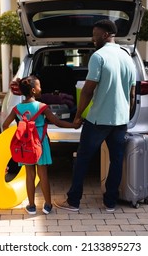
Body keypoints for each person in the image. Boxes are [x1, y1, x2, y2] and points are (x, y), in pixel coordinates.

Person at [54, 19, 137, 212]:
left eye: (94, 34)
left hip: (99, 119)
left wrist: (78, 115)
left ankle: (73, 201)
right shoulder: (127, 57)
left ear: (105, 35)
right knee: (117, 160)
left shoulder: (98, 57)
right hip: (120, 120)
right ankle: (110, 202)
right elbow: (133, 92)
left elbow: (87, 90)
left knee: (83, 159)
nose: (92, 39)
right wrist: (128, 115)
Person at [2, 76, 81, 215]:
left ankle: (31, 206)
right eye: (39, 86)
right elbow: (57, 122)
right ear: (33, 90)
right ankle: (48, 205)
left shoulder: (17, 109)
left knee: (29, 175)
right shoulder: (41, 107)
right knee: (43, 175)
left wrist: (19, 132)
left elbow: (5, 125)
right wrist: (74, 126)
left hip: (25, 145)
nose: (41, 88)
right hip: (40, 143)